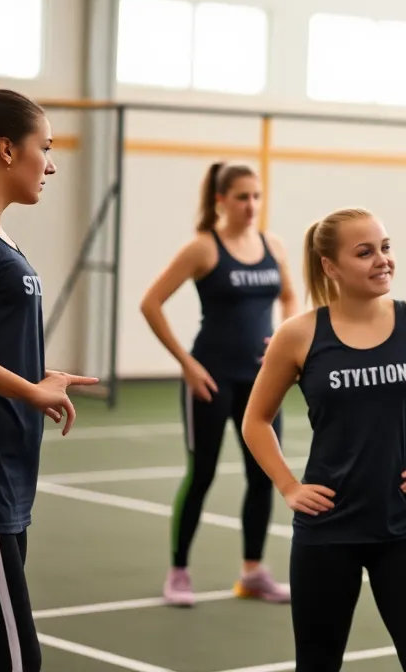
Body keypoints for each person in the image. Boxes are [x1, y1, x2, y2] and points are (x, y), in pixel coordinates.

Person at [242, 207, 406, 672]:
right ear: (330, 266)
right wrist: (289, 486)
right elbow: (256, 420)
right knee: (318, 664)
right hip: (328, 528)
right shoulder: (299, 334)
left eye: (385, 247)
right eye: (364, 252)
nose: (381, 260)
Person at [0, 79, 98, 671]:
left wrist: (37, 373)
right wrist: (27, 387)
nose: (53, 165)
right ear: (8, 150)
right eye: (47, 147)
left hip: (0, 476)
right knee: (15, 660)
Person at [139, 162, 298, 606]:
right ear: (221, 201)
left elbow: (288, 296)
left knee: (263, 474)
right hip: (211, 379)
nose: (251, 206)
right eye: (242, 197)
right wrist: (187, 363)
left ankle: (252, 572)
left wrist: (282, 343)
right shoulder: (203, 249)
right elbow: (151, 303)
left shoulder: (274, 246)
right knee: (203, 473)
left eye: (257, 197)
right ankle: (179, 570)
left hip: (260, 380)